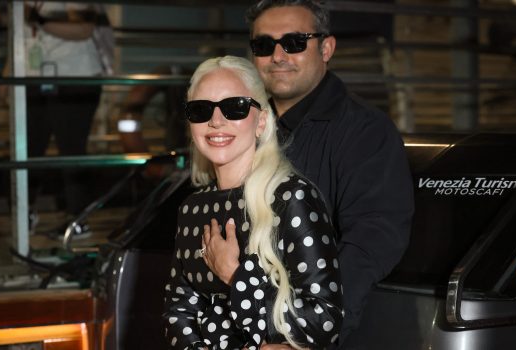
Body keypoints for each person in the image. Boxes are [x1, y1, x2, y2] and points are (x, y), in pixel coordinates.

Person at [245, 1, 414, 348]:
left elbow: (371, 241)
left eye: (294, 42)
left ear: (326, 48)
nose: (278, 55)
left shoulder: (364, 131)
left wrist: (304, 339)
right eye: (264, 45)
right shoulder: (242, 127)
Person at [162, 55, 343, 349]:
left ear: (260, 122)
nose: (216, 121)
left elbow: (324, 321)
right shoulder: (192, 208)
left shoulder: (291, 198)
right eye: (201, 110)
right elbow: (178, 312)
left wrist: (235, 275)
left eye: (235, 108)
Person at [4, 2, 111, 237]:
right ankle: (25, 213)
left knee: (71, 149)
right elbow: (19, 36)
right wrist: (7, 75)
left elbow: (83, 29)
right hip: (33, 76)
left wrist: (40, 20)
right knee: (30, 147)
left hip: (75, 76)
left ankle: (78, 219)